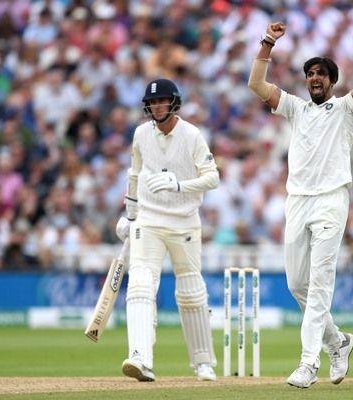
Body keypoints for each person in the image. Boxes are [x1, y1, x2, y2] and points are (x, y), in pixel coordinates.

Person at [248, 22, 353, 388]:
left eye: (321, 73)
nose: (314, 78)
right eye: (309, 74)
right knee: (297, 284)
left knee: (320, 285)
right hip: (298, 201)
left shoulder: (345, 109)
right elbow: (256, 85)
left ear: (332, 81)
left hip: (330, 201)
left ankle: (308, 363)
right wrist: (268, 43)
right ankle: (338, 342)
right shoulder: (295, 108)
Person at [115, 78, 220, 382]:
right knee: (140, 285)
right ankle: (140, 358)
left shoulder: (191, 135)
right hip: (148, 220)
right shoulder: (140, 134)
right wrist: (131, 213)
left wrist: (179, 185)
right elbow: (134, 174)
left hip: (185, 221)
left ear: (174, 103)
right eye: (152, 102)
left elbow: (212, 177)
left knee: (190, 291)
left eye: (162, 101)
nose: (157, 107)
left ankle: (203, 363)